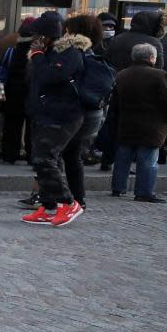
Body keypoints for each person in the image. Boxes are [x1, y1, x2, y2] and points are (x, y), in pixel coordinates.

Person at [21, 11, 85, 226]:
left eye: (38, 35)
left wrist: (37, 56)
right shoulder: (47, 52)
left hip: (63, 114)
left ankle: (69, 203)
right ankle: (49, 205)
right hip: (44, 112)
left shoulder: (68, 52)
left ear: (49, 35)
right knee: (43, 159)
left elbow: (51, 77)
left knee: (45, 158)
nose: (34, 40)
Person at [111, 43, 167, 203]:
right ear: (152, 58)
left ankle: (118, 188)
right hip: (152, 125)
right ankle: (144, 192)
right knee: (148, 160)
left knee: (123, 157)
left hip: (126, 122)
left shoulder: (122, 74)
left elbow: (115, 102)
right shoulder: (160, 75)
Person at [59, 15, 108, 209]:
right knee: (73, 155)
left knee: (54, 154)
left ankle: (54, 197)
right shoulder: (96, 52)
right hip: (92, 111)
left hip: (73, 110)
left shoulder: (73, 53)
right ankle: (78, 198)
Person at [0, 17, 36, 164]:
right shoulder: (37, 51)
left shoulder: (13, 49)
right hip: (30, 93)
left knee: (11, 125)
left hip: (12, 92)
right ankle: (31, 156)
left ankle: (9, 154)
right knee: (31, 127)